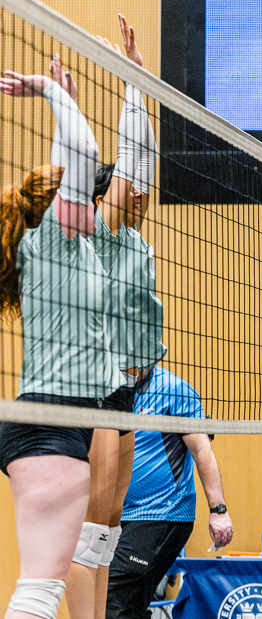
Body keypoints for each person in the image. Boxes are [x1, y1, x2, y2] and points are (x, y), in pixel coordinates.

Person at [0, 69, 120, 619]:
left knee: (40, 586)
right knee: (41, 591)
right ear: (67, 207)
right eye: (88, 195)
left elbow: (63, 168)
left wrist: (66, 104)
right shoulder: (57, 236)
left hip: (49, 423)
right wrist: (49, 94)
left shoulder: (55, 244)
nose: (98, 202)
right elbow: (85, 153)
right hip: (50, 427)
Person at [66, 14, 167, 619]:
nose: (139, 193)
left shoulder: (135, 239)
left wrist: (137, 80)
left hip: (125, 393)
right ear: (106, 196)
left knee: (107, 534)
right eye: (127, 188)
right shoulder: (101, 232)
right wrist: (128, 85)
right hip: (93, 393)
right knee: (88, 536)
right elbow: (131, 166)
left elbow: (142, 166)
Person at [106, 365, 234, 619]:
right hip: (118, 515)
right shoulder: (108, 386)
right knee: (122, 604)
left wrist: (218, 510)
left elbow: (202, 451)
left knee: (114, 595)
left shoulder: (174, 390)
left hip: (162, 511)